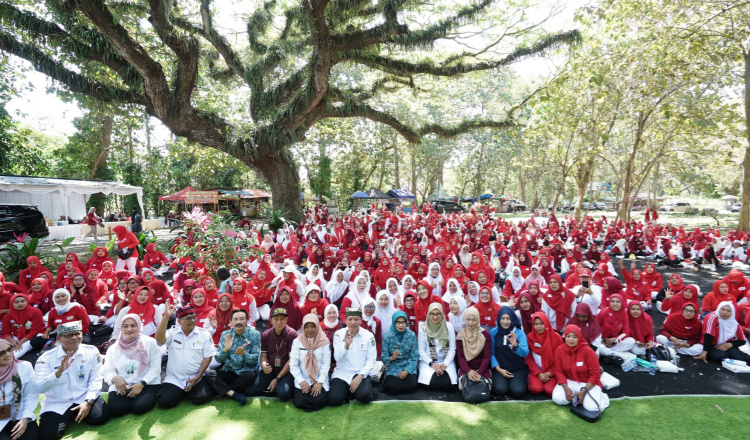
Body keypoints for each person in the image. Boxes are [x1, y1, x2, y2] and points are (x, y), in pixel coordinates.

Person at [35, 321, 110, 440]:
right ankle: (68, 415)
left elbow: (96, 378)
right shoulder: (46, 358)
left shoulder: (91, 351)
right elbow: (40, 388)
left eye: (77, 333)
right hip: (57, 402)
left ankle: (75, 413)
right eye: (69, 335)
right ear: (59, 338)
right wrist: (58, 373)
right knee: (48, 435)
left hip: (83, 396)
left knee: (100, 417)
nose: (74, 337)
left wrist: (88, 401)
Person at [155, 303, 216, 408]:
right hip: (175, 378)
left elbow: (208, 357)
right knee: (165, 402)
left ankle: (186, 391)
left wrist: (197, 377)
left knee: (201, 398)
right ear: (179, 321)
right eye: (188, 318)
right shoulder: (172, 333)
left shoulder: (204, 334)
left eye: (194, 317)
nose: (192, 320)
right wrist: (166, 317)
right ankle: (179, 391)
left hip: (196, 377)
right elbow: (159, 340)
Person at [102, 314, 161, 416]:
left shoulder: (150, 343)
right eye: (125, 326)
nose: (129, 329)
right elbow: (108, 370)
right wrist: (114, 378)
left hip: (146, 383)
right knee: (117, 409)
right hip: (123, 385)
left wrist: (142, 384)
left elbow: (155, 368)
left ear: (139, 326)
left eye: (133, 325)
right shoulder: (113, 348)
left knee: (139, 407)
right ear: (121, 328)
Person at [551, 325, 610, 413]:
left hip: (588, 383)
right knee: (558, 399)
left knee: (592, 408)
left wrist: (584, 391)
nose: (571, 339)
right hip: (570, 381)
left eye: (574, 337)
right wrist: (566, 388)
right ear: (565, 337)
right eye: (568, 336)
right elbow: (559, 371)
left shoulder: (588, 351)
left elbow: (595, 374)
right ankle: (577, 397)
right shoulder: (559, 350)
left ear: (579, 337)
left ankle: (602, 397)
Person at [210, 309, 262, 405]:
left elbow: (255, 360)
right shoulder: (225, 335)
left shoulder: (255, 335)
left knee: (250, 376)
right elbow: (218, 359)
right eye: (236, 319)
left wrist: (244, 354)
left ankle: (224, 390)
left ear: (246, 321)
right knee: (209, 374)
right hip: (229, 371)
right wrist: (225, 350)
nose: (238, 322)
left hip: (245, 372)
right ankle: (234, 394)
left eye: (242, 319)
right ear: (231, 322)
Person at [329, 308, 377, 405]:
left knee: (364, 396)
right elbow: (337, 358)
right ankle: (349, 390)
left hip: (360, 373)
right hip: (342, 373)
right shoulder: (339, 334)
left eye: (356, 319)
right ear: (346, 320)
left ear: (361, 320)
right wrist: (346, 345)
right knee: (334, 400)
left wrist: (360, 376)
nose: (353, 322)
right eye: (350, 319)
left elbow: (371, 360)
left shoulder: (368, 336)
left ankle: (355, 390)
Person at [246, 308, 295, 401]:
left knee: (283, 394)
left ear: (286, 320)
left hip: (286, 372)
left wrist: (277, 378)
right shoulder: (265, 335)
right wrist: (264, 365)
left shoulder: (292, 334)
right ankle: (274, 387)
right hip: (270, 370)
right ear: (271, 320)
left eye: (282, 319)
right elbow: (264, 355)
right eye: (276, 319)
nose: (279, 322)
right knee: (250, 391)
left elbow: (291, 360)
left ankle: (275, 386)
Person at [289, 314, 331, 412]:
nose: (309, 329)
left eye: (312, 326)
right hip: (303, 378)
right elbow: (293, 364)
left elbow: (326, 364)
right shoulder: (297, 342)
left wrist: (319, 382)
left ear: (317, 326)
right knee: (299, 402)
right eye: (306, 326)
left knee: (319, 400)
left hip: (319, 378)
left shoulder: (324, 342)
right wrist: (301, 381)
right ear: (303, 327)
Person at [0, 338, 39, 439]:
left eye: (9, 349)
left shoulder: (24, 367)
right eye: (1, 353)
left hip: (18, 414)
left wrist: (25, 419)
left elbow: (30, 395)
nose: (8, 354)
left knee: (32, 437)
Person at [489, 306, 529, 399]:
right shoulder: (493, 332)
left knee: (518, 392)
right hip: (500, 369)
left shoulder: (519, 333)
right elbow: (491, 353)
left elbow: (525, 353)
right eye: (502, 318)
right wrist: (499, 370)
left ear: (512, 319)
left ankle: (521, 381)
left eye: (508, 318)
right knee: (500, 390)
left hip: (517, 368)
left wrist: (515, 345)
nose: (505, 322)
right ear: (499, 319)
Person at [417, 303, 457, 391]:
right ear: (428, 314)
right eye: (432, 314)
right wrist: (432, 364)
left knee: (448, 385)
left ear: (442, 314)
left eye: (438, 314)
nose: (435, 317)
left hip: (446, 362)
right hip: (429, 362)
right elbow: (421, 350)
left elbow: (452, 349)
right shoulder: (423, 327)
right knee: (430, 384)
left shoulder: (448, 326)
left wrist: (444, 364)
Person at [455, 307, 492, 399]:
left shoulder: (485, 334)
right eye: (468, 319)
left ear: (478, 320)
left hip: (482, 369)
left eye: (473, 319)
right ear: (465, 319)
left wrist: (479, 373)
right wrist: (468, 371)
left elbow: (486, 357)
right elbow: (460, 357)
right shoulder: (461, 334)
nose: (470, 323)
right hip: (466, 369)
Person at [380, 311, 419, 395]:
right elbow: (383, 357)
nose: (401, 325)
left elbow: (414, 356)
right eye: (398, 322)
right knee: (391, 387)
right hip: (393, 365)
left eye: (403, 322)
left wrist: (406, 371)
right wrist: (392, 358)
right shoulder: (387, 336)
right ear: (394, 322)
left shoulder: (411, 335)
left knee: (412, 385)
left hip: (408, 365)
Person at [526, 312, 563, 397]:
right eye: (535, 324)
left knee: (550, 391)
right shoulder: (530, 337)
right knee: (535, 389)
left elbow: (561, 358)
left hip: (552, 371)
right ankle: (532, 379)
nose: (538, 327)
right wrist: (538, 373)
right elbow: (528, 358)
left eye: (541, 323)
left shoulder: (556, 338)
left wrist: (551, 372)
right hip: (536, 371)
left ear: (546, 323)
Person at [3, 293, 46, 359]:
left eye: (23, 301)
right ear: (12, 304)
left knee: (24, 346)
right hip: (16, 336)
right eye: (16, 302)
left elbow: (35, 330)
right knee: (5, 345)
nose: (20, 304)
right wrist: (12, 341)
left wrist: (21, 342)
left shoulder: (35, 312)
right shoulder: (7, 316)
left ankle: (10, 359)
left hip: (34, 336)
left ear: (27, 301)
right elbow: (5, 333)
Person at [596, 294, 636, 360]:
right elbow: (595, 327)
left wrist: (615, 339)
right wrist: (603, 341)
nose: (615, 304)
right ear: (610, 302)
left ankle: (610, 353)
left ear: (621, 303)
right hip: (602, 341)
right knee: (600, 347)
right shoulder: (604, 312)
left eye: (618, 302)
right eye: (612, 301)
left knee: (631, 341)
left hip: (615, 342)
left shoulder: (624, 314)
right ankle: (619, 355)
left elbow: (626, 332)